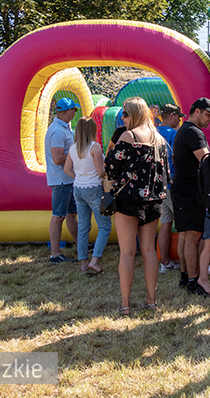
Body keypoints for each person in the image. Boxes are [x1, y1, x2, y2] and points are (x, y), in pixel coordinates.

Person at [105, 97, 169, 314]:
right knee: (150, 250)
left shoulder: (128, 136)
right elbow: (166, 174)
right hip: (153, 200)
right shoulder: (159, 139)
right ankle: (151, 301)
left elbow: (111, 169)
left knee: (127, 252)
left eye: (124, 114)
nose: (122, 118)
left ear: (132, 114)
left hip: (128, 200)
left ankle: (125, 305)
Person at [171, 97, 210, 296]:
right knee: (192, 237)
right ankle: (193, 281)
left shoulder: (184, 130)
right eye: (207, 114)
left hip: (182, 190)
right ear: (196, 111)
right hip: (190, 191)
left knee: (185, 235)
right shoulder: (193, 132)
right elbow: (205, 161)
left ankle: (185, 276)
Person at [63, 116, 111, 275]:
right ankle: (95, 260)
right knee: (104, 226)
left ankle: (83, 261)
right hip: (94, 188)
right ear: (92, 130)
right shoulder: (95, 148)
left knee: (83, 226)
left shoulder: (73, 148)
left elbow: (67, 169)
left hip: (78, 189)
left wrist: (78, 177)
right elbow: (100, 171)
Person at [45, 97, 79, 264]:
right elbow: (58, 158)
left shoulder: (63, 127)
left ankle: (81, 247)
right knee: (58, 216)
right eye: (75, 110)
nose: (75, 113)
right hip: (61, 180)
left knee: (72, 214)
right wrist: (77, 155)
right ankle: (55, 254)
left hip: (67, 180)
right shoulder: (58, 131)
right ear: (69, 111)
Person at [156, 103, 184, 275]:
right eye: (179, 117)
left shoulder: (153, 132)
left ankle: (165, 263)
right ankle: (187, 264)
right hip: (171, 183)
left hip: (156, 185)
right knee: (183, 225)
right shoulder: (173, 134)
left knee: (165, 223)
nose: (179, 121)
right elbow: (175, 158)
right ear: (172, 116)